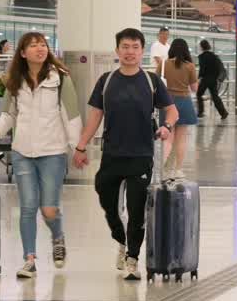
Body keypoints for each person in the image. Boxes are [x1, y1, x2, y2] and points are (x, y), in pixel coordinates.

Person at [73, 28, 178, 281]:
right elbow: (95, 116)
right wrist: (81, 146)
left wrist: (167, 127)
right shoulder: (106, 80)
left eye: (135, 47)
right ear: (117, 50)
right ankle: (120, 239)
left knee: (136, 209)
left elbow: (172, 111)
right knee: (108, 203)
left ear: (142, 51)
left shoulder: (152, 81)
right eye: (125, 47)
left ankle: (132, 258)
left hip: (141, 155)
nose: (130, 52)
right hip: (111, 155)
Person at [0, 32, 81, 278]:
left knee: (48, 209)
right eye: (33, 45)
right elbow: (9, 114)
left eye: (43, 44)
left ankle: (58, 236)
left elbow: (71, 115)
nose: (40, 48)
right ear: (22, 53)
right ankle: (29, 259)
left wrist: (78, 148)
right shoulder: (14, 81)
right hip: (22, 152)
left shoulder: (60, 79)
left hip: (52, 152)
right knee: (28, 207)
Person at [160, 39, 199, 179]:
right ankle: (177, 170)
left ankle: (163, 169)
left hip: (167, 102)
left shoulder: (164, 64)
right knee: (181, 138)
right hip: (184, 102)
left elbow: (158, 84)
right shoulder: (190, 66)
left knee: (167, 138)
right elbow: (195, 88)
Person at [196, 40, 228, 120]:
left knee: (199, 94)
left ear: (201, 47)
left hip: (205, 79)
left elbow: (202, 69)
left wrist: (199, 77)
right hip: (213, 80)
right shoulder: (214, 56)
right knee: (215, 96)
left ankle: (200, 112)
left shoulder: (201, 57)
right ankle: (223, 113)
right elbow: (218, 68)